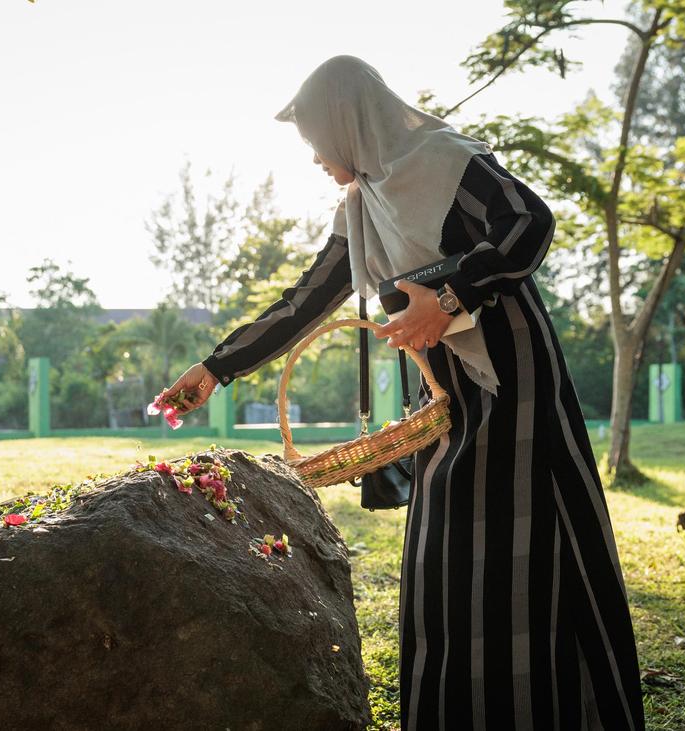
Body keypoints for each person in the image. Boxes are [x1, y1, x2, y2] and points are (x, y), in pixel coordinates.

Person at [161, 55, 643, 730]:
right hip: (443, 392)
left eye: (316, 141)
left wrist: (448, 295)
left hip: (512, 378)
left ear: (348, 121)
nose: (316, 157)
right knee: (441, 554)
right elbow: (305, 300)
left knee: (524, 547)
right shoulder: (361, 205)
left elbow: (528, 222)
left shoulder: (444, 160)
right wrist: (216, 367)